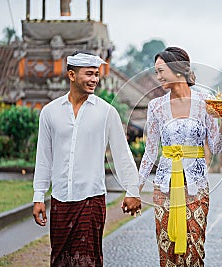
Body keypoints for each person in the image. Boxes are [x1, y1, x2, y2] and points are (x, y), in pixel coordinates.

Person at [32, 51, 141, 266]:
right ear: (72, 75)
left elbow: (122, 154)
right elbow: (44, 156)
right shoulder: (49, 112)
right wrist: (38, 195)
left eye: (96, 75)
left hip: (91, 199)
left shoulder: (106, 112)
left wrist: (133, 190)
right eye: (89, 74)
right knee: (59, 260)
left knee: (88, 261)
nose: (94, 80)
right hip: (60, 200)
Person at [138, 47, 222, 266]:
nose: (158, 76)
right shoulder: (156, 106)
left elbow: (216, 146)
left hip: (196, 186)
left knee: (195, 246)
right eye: (156, 72)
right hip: (164, 187)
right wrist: (134, 189)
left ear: (179, 70)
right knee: (167, 247)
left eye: (161, 70)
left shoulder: (206, 102)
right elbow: (151, 151)